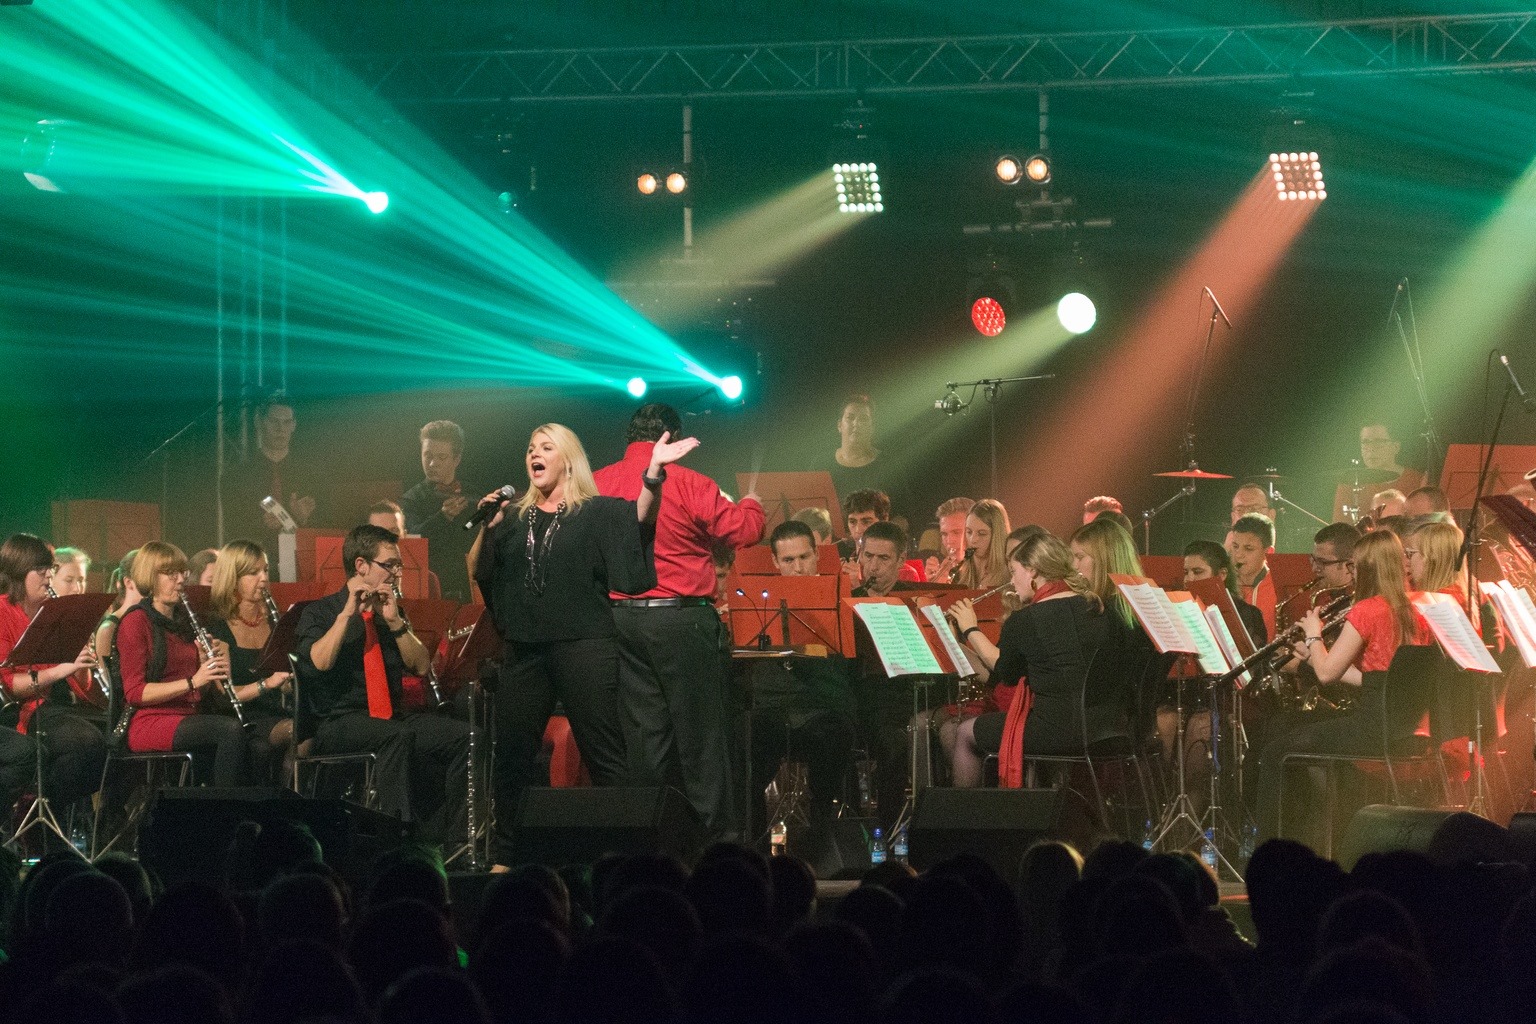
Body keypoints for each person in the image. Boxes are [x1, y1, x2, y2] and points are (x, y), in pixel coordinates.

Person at [477, 422, 699, 865]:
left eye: (546, 447)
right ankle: (506, 853)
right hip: (526, 648)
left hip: (584, 646)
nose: (534, 454)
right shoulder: (513, 516)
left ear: (567, 459)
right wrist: (489, 526)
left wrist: (654, 474)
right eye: (530, 448)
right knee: (512, 754)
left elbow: (639, 518)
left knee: (604, 753)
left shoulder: (595, 512)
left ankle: (626, 855)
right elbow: (483, 573)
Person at [593, 404, 764, 842]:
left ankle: (651, 843)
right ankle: (717, 847)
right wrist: (751, 504)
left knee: (645, 740)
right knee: (703, 738)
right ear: (672, 437)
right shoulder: (689, 482)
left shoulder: (597, 482)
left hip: (619, 621)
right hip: (681, 620)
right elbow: (744, 532)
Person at [1253, 530, 1434, 842]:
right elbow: (1372, 680)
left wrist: (1314, 633)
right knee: (1286, 725)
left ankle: (1273, 850)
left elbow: (1326, 675)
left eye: (1354, 566)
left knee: (1275, 752)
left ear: (1365, 568)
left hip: (1373, 729)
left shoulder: (1367, 610)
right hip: (1407, 728)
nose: (1351, 573)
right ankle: (1312, 837)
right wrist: (1313, 655)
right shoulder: (1417, 608)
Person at [296, 525, 469, 842]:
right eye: (389, 565)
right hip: (339, 720)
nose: (397, 573)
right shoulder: (320, 611)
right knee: (396, 737)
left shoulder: (392, 612)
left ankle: (454, 842)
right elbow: (320, 662)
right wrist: (347, 615)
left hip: (391, 717)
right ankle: (396, 839)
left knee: (467, 737)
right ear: (361, 565)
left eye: (399, 565)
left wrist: (395, 622)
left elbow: (420, 666)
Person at [950, 532, 1132, 788]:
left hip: (1057, 731)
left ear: (1032, 571)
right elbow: (1000, 672)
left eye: (1014, 572)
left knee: (964, 733)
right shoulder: (1100, 609)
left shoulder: (1025, 620)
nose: (1012, 581)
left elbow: (1004, 673)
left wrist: (970, 629)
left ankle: (965, 815)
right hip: (1108, 727)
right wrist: (954, 643)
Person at [746, 521, 856, 852]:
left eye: (805, 557)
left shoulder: (838, 598)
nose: (798, 567)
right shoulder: (757, 602)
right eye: (789, 560)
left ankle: (821, 840)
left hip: (822, 706)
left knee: (835, 735)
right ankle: (752, 843)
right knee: (745, 740)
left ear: (817, 555)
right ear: (775, 563)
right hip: (773, 708)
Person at [115, 541, 246, 786]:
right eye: (170, 573)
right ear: (149, 577)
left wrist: (206, 665)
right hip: (150, 721)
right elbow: (134, 693)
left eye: (182, 572)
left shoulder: (185, 622)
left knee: (251, 742)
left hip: (189, 715)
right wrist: (193, 681)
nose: (179, 580)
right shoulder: (136, 622)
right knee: (228, 731)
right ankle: (225, 806)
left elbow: (198, 692)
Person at [0, 534, 104, 813]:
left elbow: (83, 686)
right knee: (86, 742)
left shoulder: (54, 610)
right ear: (19, 572)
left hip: (61, 705)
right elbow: (11, 686)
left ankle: (51, 814)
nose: (49, 576)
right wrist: (60, 670)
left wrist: (80, 656)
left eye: (51, 568)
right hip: (23, 710)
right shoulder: (2, 612)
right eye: (41, 569)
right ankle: (41, 815)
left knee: (107, 740)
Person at [206, 541, 294, 785]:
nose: (263, 579)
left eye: (265, 570)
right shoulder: (219, 629)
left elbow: (284, 683)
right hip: (242, 718)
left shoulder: (275, 623)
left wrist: (289, 683)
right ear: (232, 579)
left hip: (276, 713)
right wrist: (267, 684)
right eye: (253, 573)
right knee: (298, 732)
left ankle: (290, 795)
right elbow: (224, 696)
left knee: (315, 729)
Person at [223, 393, 320, 546]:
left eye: (286, 422)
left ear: (294, 425)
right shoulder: (236, 476)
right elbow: (232, 527)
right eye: (274, 421)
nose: (280, 429)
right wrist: (262, 524)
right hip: (256, 556)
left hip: (301, 554)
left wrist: (303, 518)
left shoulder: (313, 475)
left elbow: (330, 527)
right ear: (258, 422)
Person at [400, 420, 482, 602]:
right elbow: (413, 541)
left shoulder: (473, 495)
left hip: (470, 587)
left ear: (457, 459)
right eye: (427, 455)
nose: (432, 464)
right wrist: (443, 517)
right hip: (430, 592)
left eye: (441, 457)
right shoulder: (411, 499)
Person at [1333, 423, 1425, 523]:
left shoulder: (1417, 481)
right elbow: (1339, 526)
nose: (1371, 448)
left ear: (1396, 447)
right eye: (1365, 442)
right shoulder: (1349, 482)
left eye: (1379, 442)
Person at [1181, 540, 1267, 645]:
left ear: (1222, 574)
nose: (1188, 579)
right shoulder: (1180, 610)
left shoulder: (1247, 615)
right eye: (1186, 572)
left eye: (1197, 572)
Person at [1069, 516, 1145, 628]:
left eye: (1080, 557)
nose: (1073, 566)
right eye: (1072, 558)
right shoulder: (1141, 606)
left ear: (1105, 560)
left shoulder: (1103, 613)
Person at [1226, 514, 1279, 641]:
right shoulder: (1224, 583)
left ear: (1268, 552)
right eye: (1235, 546)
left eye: (1248, 549)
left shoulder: (1279, 587)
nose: (1238, 555)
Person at [955, 499, 1011, 591]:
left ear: (997, 536)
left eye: (982, 534)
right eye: (969, 532)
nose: (973, 540)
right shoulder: (960, 575)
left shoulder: (1010, 577)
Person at [933, 497, 974, 582]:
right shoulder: (950, 574)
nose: (949, 541)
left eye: (956, 532)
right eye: (944, 534)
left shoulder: (994, 574)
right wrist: (934, 586)